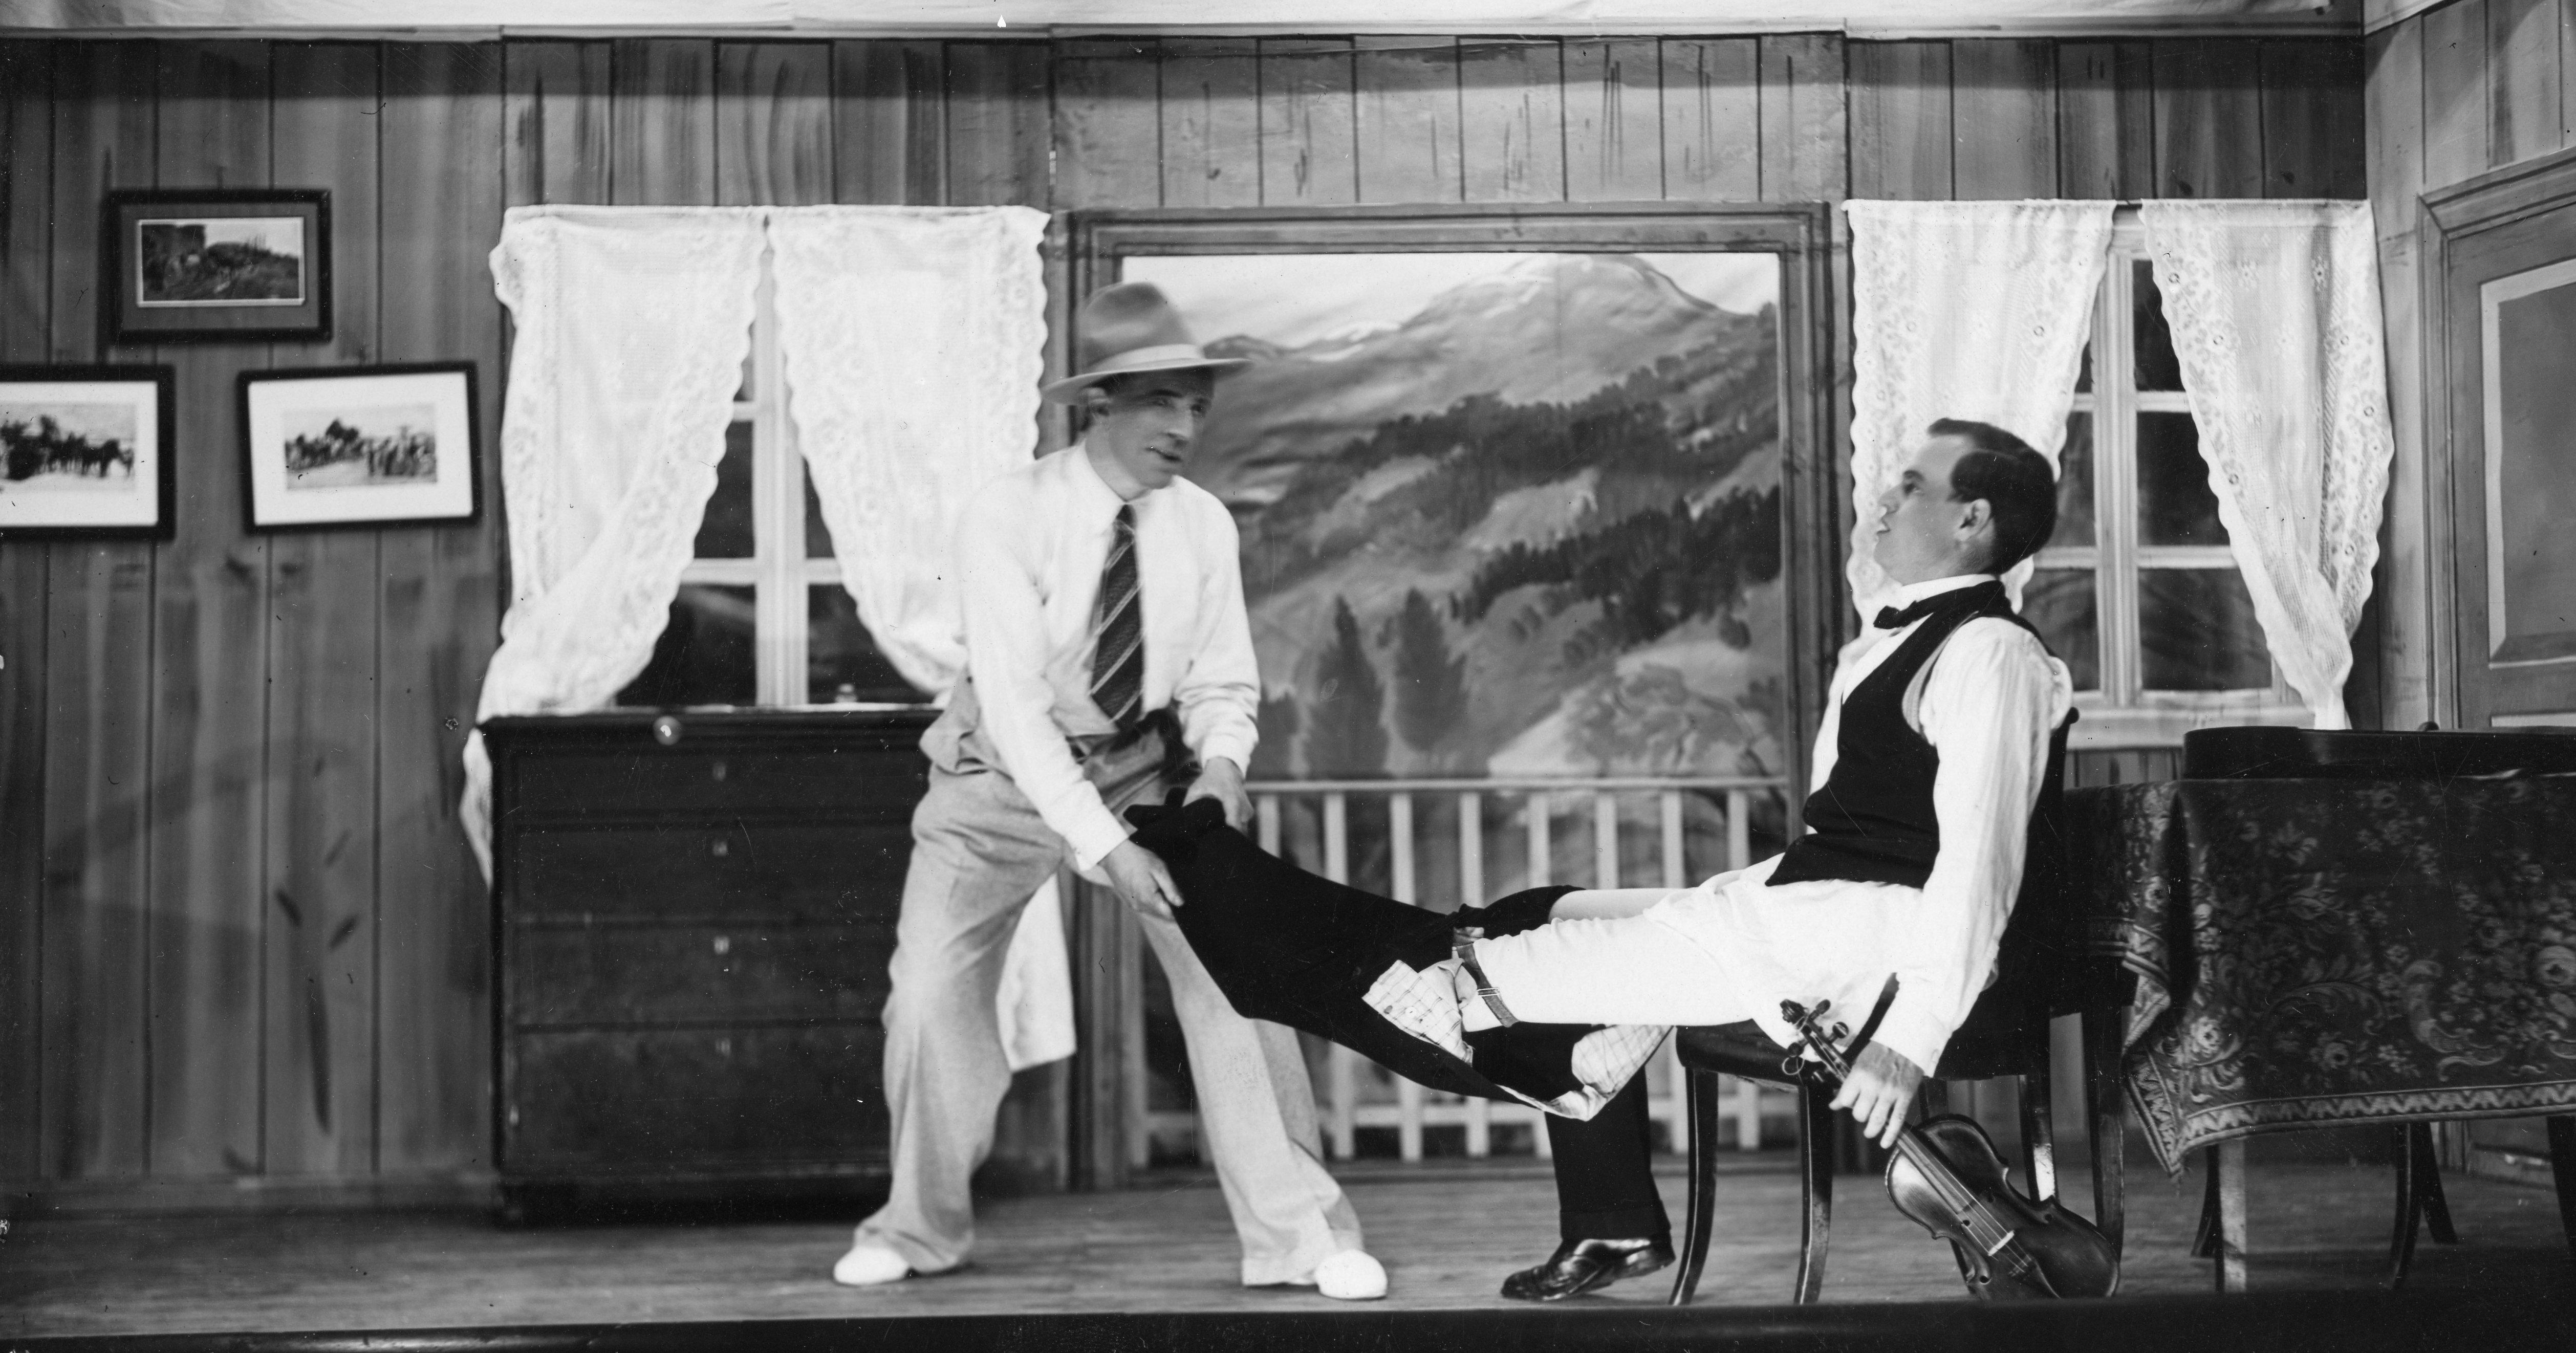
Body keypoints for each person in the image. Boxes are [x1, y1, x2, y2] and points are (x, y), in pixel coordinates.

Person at [833, 282, 1386, 1301]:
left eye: (1196, 405)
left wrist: (1222, 762)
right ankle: (916, 1228)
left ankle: (1303, 1239)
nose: (1184, 427)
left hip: (1143, 771)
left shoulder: (1202, 524)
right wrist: (1105, 848)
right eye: (1161, 401)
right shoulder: (1007, 514)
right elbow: (1017, 712)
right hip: (997, 773)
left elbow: (1222, 681)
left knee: (1239, 974)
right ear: (1101, 402)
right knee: (929, 993)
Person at [1464, 416, 2073, 1298]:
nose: (1885, 500)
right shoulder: (1889, 642)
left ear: (1971, 518)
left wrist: (1908, 1039)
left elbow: (1980, 863)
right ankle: (1614, 1220)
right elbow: (1841, 828)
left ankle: (1611, 1220)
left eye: (1911, 485)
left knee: (1533, 956)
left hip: (1882, 941)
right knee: (1539, 912)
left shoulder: (1993, 651)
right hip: (1817, 903)